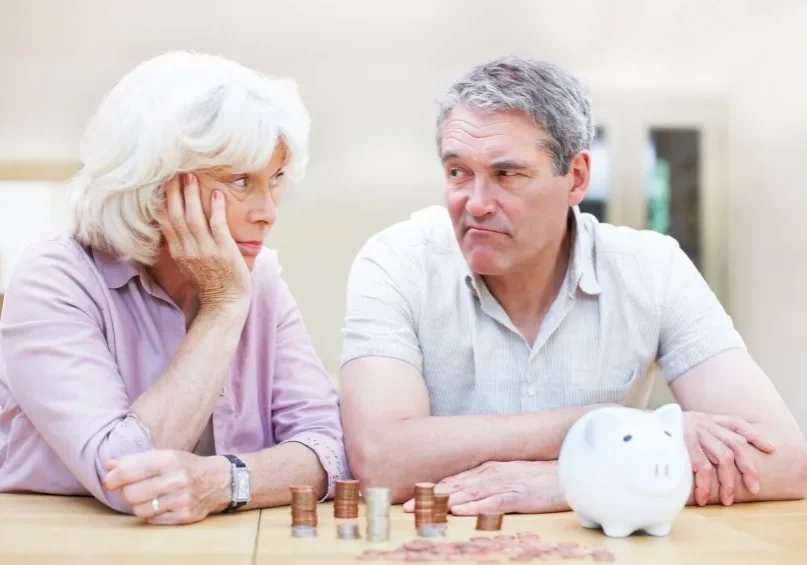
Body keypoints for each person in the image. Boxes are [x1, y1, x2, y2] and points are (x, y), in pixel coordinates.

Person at [338, 56, 807, 515]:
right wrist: (613, 428)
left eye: (507, 174)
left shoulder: (652, 268)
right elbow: (381, 460)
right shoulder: (396, 262)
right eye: (458, 172)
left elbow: (784, 460)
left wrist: (579, 480)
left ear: (577, 178)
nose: (476, 204)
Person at [0, 51, 348, 525]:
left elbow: (329, 449)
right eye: (241, 181)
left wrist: (225, 483)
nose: (269, 211)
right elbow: (125, 478)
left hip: (219, 540)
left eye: (276, 180)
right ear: (155, 182)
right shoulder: (55, 278)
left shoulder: (259, 276)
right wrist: (223, 308)